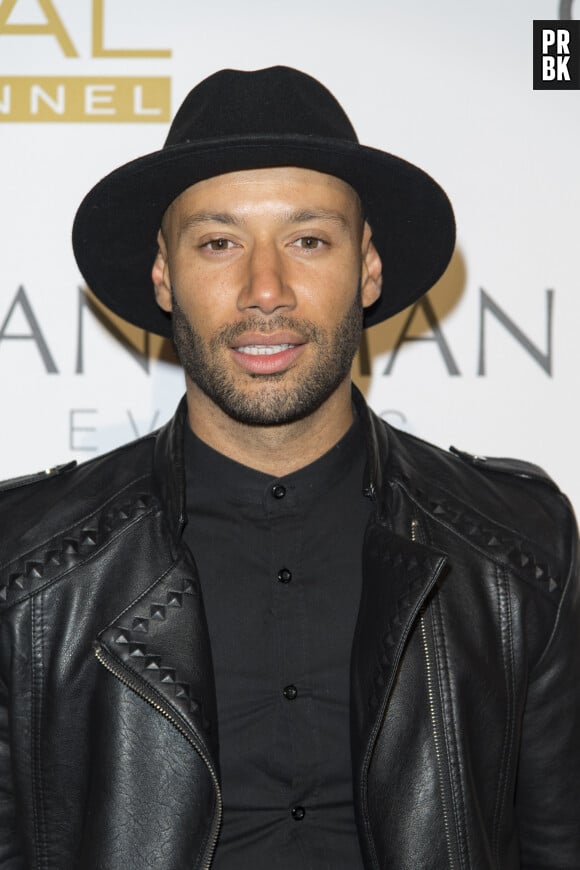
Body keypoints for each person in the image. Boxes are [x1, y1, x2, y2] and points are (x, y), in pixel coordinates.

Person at [0, 66, 578, 870]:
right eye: (218, 243)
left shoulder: (519, 549)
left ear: (367, 268)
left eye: (308, 240)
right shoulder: (26, 568)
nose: (264, 290)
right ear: (165, 276)